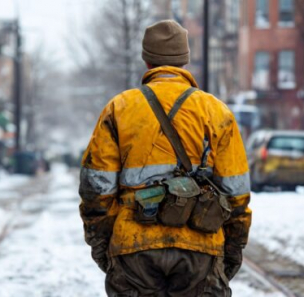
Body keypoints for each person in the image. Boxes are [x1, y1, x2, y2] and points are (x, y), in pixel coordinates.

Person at [79, 20, 251, 297]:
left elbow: (96, 190)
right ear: (185, 59)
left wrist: (104, 247)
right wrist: (230, 252)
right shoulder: (217, 112)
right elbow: (236, 194)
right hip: (201, 247)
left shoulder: (119, 108)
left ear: (147, 59)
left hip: (133, 248)